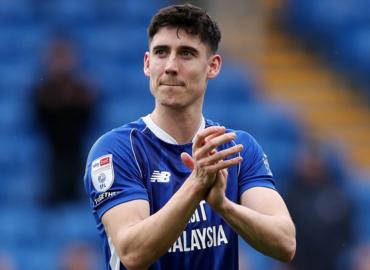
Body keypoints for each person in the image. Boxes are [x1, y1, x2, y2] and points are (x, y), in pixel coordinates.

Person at [83, 4, 296, 270]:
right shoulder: (117, 150)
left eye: (186, 54)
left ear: (213, 66)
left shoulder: (234, 149)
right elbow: (133, 253)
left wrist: (224, 206)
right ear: (147, 64)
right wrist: (197, 185)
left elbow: (285, 243)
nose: (171, 66)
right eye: (161, 52)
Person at [35, 38, 96, 206]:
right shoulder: (42, 91)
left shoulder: (82, 91)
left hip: (78, 154)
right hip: (50, 156)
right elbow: (37, 121)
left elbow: (91, 119)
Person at [285, 140, 353, 270]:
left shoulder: (337, 194)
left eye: (315, 159)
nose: (311, 164)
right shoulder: (290, 196)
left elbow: (349, 234)